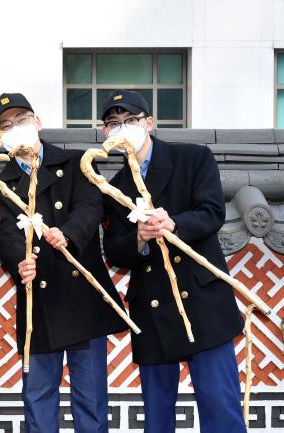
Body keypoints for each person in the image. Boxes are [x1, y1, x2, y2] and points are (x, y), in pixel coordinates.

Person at [100, 89, 246, 433]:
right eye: (113, 124)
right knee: (158, 416)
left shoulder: (193, 158)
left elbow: (212, 212)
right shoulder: (113, 187)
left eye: (131, 121)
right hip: (151, 307)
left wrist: (174, 223)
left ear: (149, 123)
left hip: (201, 300)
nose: (123, 129)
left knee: (220, 407)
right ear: (106, 134)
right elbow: (115, 252)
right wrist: (139, 238)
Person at [0, 93, 128, 433]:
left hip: (84, 298)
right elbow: (5, 232)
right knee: (37, 397)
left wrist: (68, 233)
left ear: (37, 122)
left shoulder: (77, 162)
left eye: (21, 120)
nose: (15, 129)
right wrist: (20, 261)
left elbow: (91, 207)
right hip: (39, 302)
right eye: (5, 126)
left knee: (91, 400)